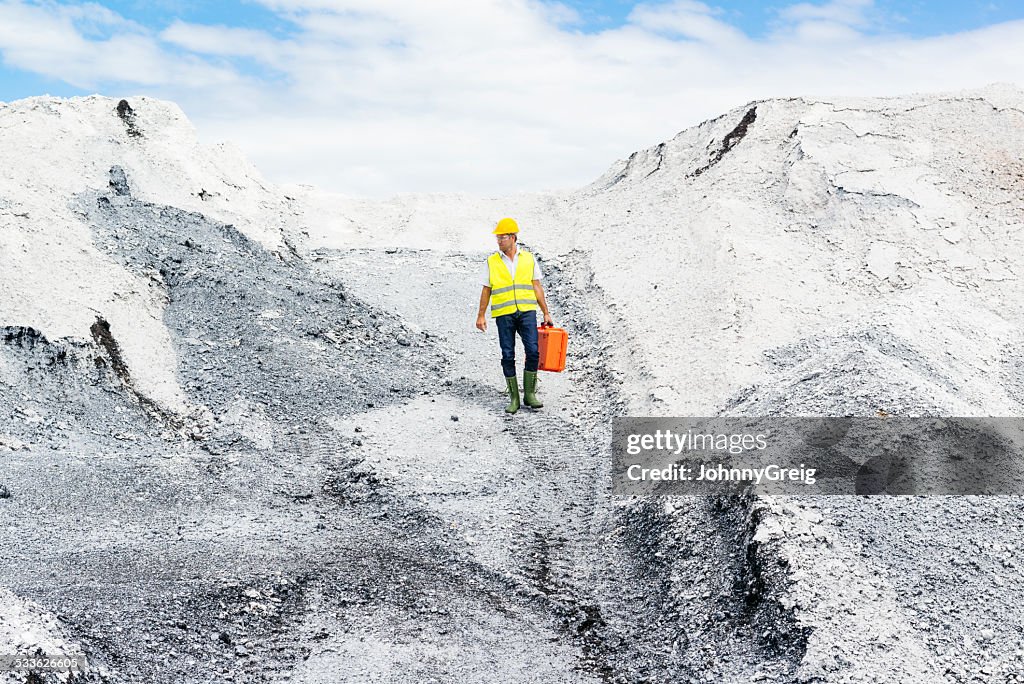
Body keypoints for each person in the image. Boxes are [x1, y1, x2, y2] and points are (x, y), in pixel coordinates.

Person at [475, 218, 554, 414]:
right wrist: (481, 315)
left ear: (513, 237)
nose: (499, 240)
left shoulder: (528, 258)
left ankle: (530, 394)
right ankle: (514, 398)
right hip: (504, 314)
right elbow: (486, 290)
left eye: (502, 237)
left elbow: (537, 286)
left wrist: (545, 311)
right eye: (498, 237)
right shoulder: (491, 261)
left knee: (533, 351)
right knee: (508, 355)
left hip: (527, 311)